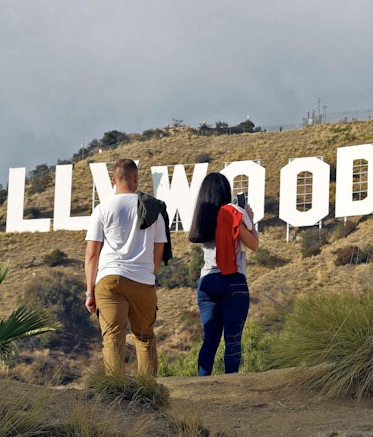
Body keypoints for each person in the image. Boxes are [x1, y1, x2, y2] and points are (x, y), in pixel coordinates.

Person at [84, 159, 169, 376]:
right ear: (136, 178)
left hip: (109, 279)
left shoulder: (102, 209)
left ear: (114, 180)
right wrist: (150, 273)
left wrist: (90, 292)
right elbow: (158, 249)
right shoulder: (153, 209)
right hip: (142, 279)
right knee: (145, 337)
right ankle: (148, 390)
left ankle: (116, 390)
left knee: (113, 337)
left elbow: (92, 254)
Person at [188, 173, 259, 375]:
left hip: (206, 283)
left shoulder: (202, 216)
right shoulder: (231, 213)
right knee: (233, 338)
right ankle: (231, 387)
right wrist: (250, 221)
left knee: (210, 340)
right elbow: (253, 245)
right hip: (232, 280)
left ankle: (201, 386)